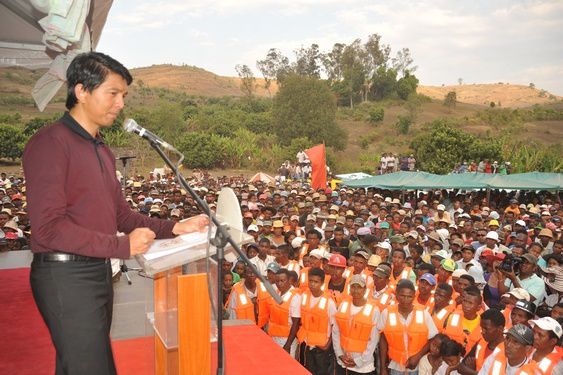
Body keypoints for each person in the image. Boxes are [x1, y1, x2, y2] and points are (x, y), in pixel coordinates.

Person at [22, 52, 208, 375]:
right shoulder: (51, 143)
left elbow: (122, 217)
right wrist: (121, 247)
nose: (121, 103)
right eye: (113, 93)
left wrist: (176, 227)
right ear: (81, 91)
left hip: (96, 272)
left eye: (124, 96)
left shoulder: (101, 150)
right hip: (64, 277)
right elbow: (48, 230)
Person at [379, 279, 438, 375]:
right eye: (402, 296)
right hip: (396, 365)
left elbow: (433, 338)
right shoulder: (387, 313)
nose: (405, 300)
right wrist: (382, 367)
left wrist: (418, 356)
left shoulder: (423, 313)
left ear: (414, 296)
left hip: (418, 366)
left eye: (409, 297)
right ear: (397, 295)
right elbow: (383, 338)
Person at [333, 274, 380, 374]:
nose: (356, 290)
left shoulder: (373, 310)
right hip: (343, 361)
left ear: (365, 289)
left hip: (363, 366)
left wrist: (359, 360)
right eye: (353, 287)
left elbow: (374, 339)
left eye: (359, 287)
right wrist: (340, 354)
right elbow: (336, 332)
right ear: (349, 288)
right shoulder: (343, 305)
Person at [297, 267, 337, 375]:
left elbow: (335, 326)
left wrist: (327, 346)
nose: (312, 284)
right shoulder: (304, 296)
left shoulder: (329, 303)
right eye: (310, 281)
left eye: (316, 282)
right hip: (305, 343)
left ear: (322, 283)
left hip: (321, 348)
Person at [267, 269, 302, 357]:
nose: (279, 283)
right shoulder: (277, 292)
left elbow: (296, 323)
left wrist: (287, 345)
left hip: (286, 339)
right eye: (277, 281)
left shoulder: (295, 297)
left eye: (282, 281)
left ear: (289, 280)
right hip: (273, 336)